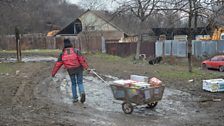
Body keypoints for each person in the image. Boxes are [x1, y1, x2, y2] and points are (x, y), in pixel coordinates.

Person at [51, 39, 88, 103]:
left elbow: (58, 65)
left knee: (73, 84)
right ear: (70, 43)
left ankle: (75, 98)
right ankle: (82, 92)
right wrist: (86, 67)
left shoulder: (62, 53)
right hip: (79, 68)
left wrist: (53, 73)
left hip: (70, 70)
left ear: (64, 45)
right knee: (80, 82)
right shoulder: (76, 51)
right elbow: (81, 60)